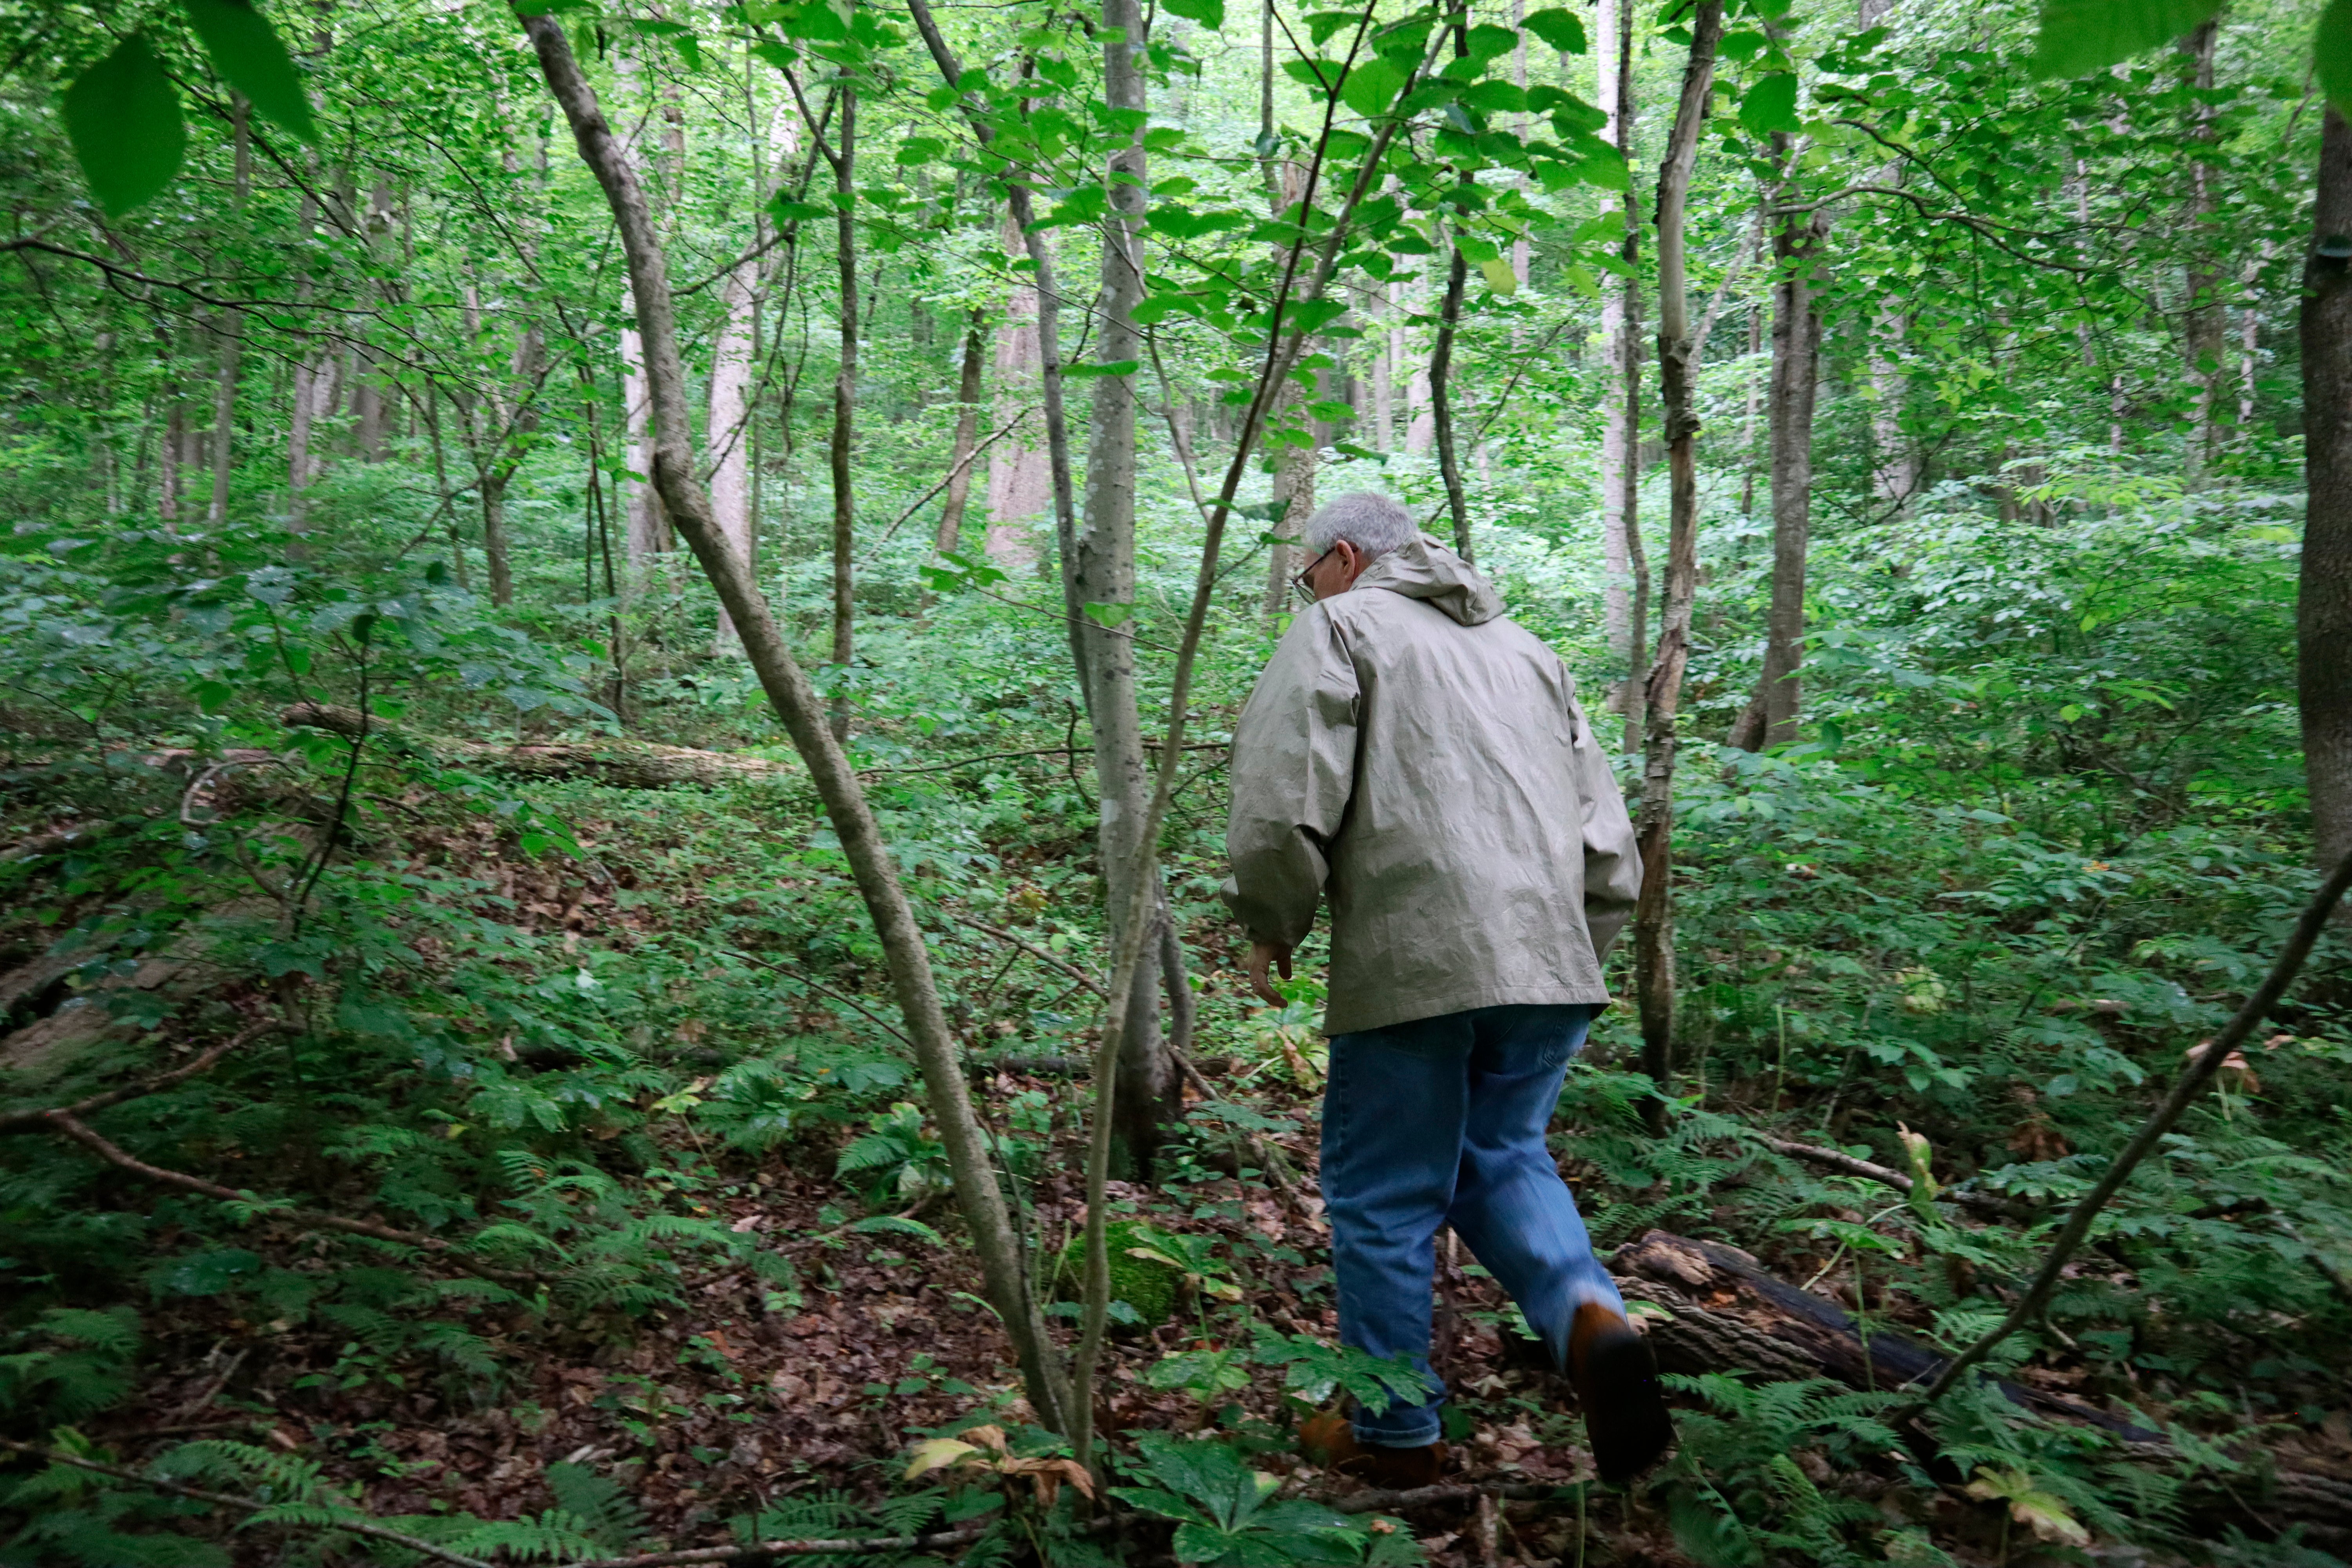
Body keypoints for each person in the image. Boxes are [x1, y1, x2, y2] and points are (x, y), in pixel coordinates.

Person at [1221, 491, 1672, 1488]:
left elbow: (1284, 794)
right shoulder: (1529, 652)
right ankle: (1588, 1316)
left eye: (1307, 573)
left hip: (1417, 955)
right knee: (1502, 1151)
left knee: (1384, 1193)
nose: (1307, 590)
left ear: (1342, 558)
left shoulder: (1339, 623)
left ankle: (1395, 1433)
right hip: (1551, 960)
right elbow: (1609, 844)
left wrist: (1270, 920)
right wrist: (1570, 949)